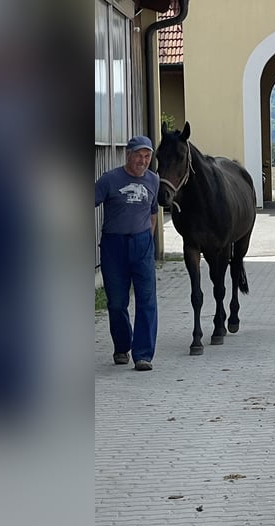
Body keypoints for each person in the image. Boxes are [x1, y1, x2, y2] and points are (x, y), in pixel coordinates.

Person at [95, 135, 160, 371]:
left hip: (142, 244)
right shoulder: (109, 180)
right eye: (138, 156)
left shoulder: (154, 180)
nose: (142, 161)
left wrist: (147, 238)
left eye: (147, 156)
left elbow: (153, 212)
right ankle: (122, 346)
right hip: (114, 246)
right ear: (128, 155)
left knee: (146, 299)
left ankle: (143, 354)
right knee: (117, 302)